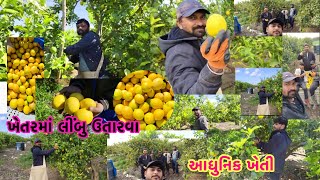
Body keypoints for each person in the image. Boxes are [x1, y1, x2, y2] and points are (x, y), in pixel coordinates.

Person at [159, 0, 230, 94]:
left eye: (202, 17)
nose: (200, 23)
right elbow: (190, 94)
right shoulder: (178, 53)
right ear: (179, 23)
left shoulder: (194, 40)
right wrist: (213, 69)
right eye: (192, 18)